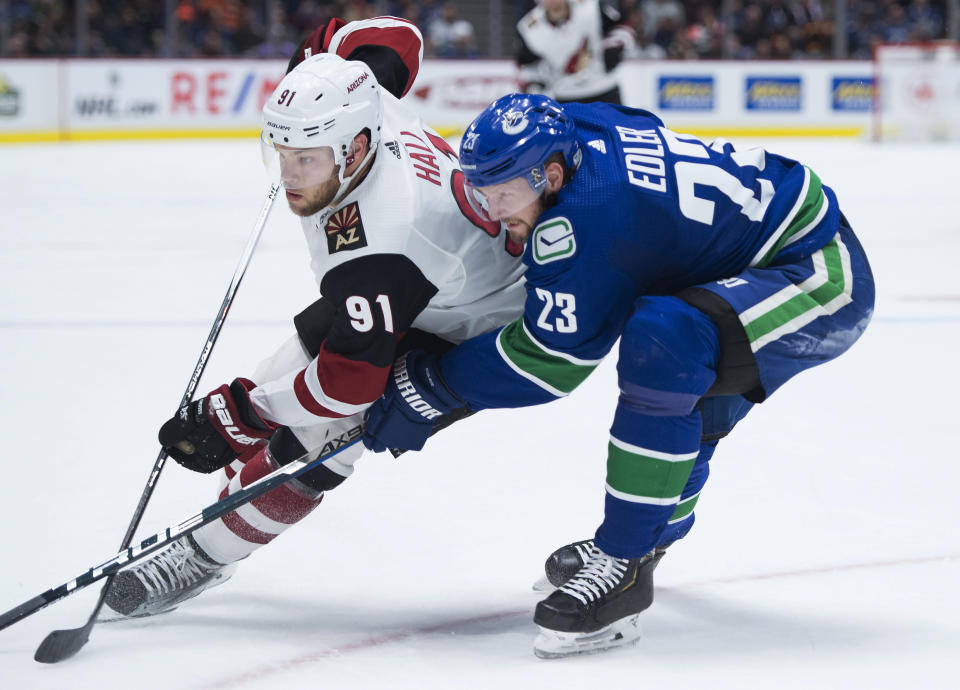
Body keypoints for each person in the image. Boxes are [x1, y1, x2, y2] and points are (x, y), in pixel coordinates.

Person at [362, 93, 876, 658]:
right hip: (752, 247)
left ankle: (625, 565)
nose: (491, 210)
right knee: (685, 386)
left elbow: (549, 363)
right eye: (482, 190)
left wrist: (433, 386)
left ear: (551, 174)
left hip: (820, 273)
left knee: (667, 343)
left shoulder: (586, 221)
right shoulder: (574, 130)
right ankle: (646, 537)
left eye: (504, 193)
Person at [102, 17, 527, 619]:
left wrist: (247, 412)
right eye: (281, 153)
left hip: (476, 319)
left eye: (305, 160)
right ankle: (237, 492)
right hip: (432, 279)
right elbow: (395, 37)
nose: (288, 177)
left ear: (354, 150)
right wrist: (317, 57)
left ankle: (205, 552)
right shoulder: (363, 98)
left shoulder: (382, 240)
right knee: (285, 375)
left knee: (319, 442)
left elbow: (349, 384)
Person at [516, 0, 636, 104]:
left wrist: (614, 47)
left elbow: (622, 27)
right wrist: (534, 85)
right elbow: (527, 66)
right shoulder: (528, 28)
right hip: (565, 95)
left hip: (605, 87)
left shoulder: (591, 6)